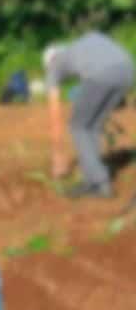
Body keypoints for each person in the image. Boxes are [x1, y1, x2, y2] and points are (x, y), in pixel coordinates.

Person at [43, 31, 134, 199]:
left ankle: (99, 184)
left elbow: (54, 114)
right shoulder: (84, 43)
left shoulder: (54, 64)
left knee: (78, 126)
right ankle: (93, 177)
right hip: (128, 71)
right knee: (92, 126)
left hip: (101, 75)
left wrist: (58, 156)